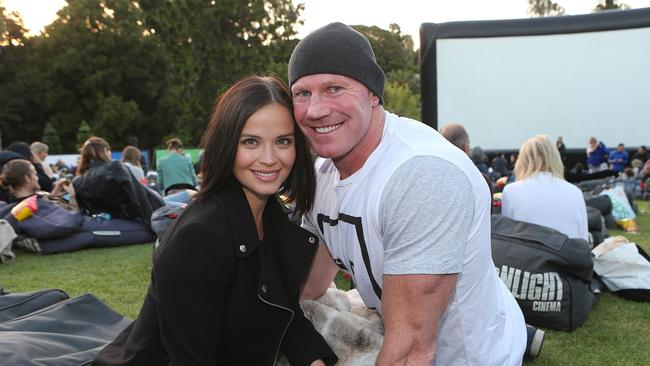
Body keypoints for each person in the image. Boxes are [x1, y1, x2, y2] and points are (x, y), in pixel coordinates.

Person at [290, 23, 526, 365]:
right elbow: (309, 287)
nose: (315, 110)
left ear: (373, 94)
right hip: (400, 331)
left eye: (334, 88)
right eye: (302, 93)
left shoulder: (423, 174)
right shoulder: (320, 174)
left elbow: (413, 349)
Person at [92, 75, 337, 366]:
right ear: (226, 145)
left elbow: (284, 312)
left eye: (283, 141)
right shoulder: (198, 239)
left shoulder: (274, 217)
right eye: (250, 142)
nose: (270, 158)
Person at [502, 135, 588, 241]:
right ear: (555, 157)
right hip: (567, 256)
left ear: (522, 160)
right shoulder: (575, 192)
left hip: (526, 256)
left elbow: (508, 240)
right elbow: (583, 242)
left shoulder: (510, 191)